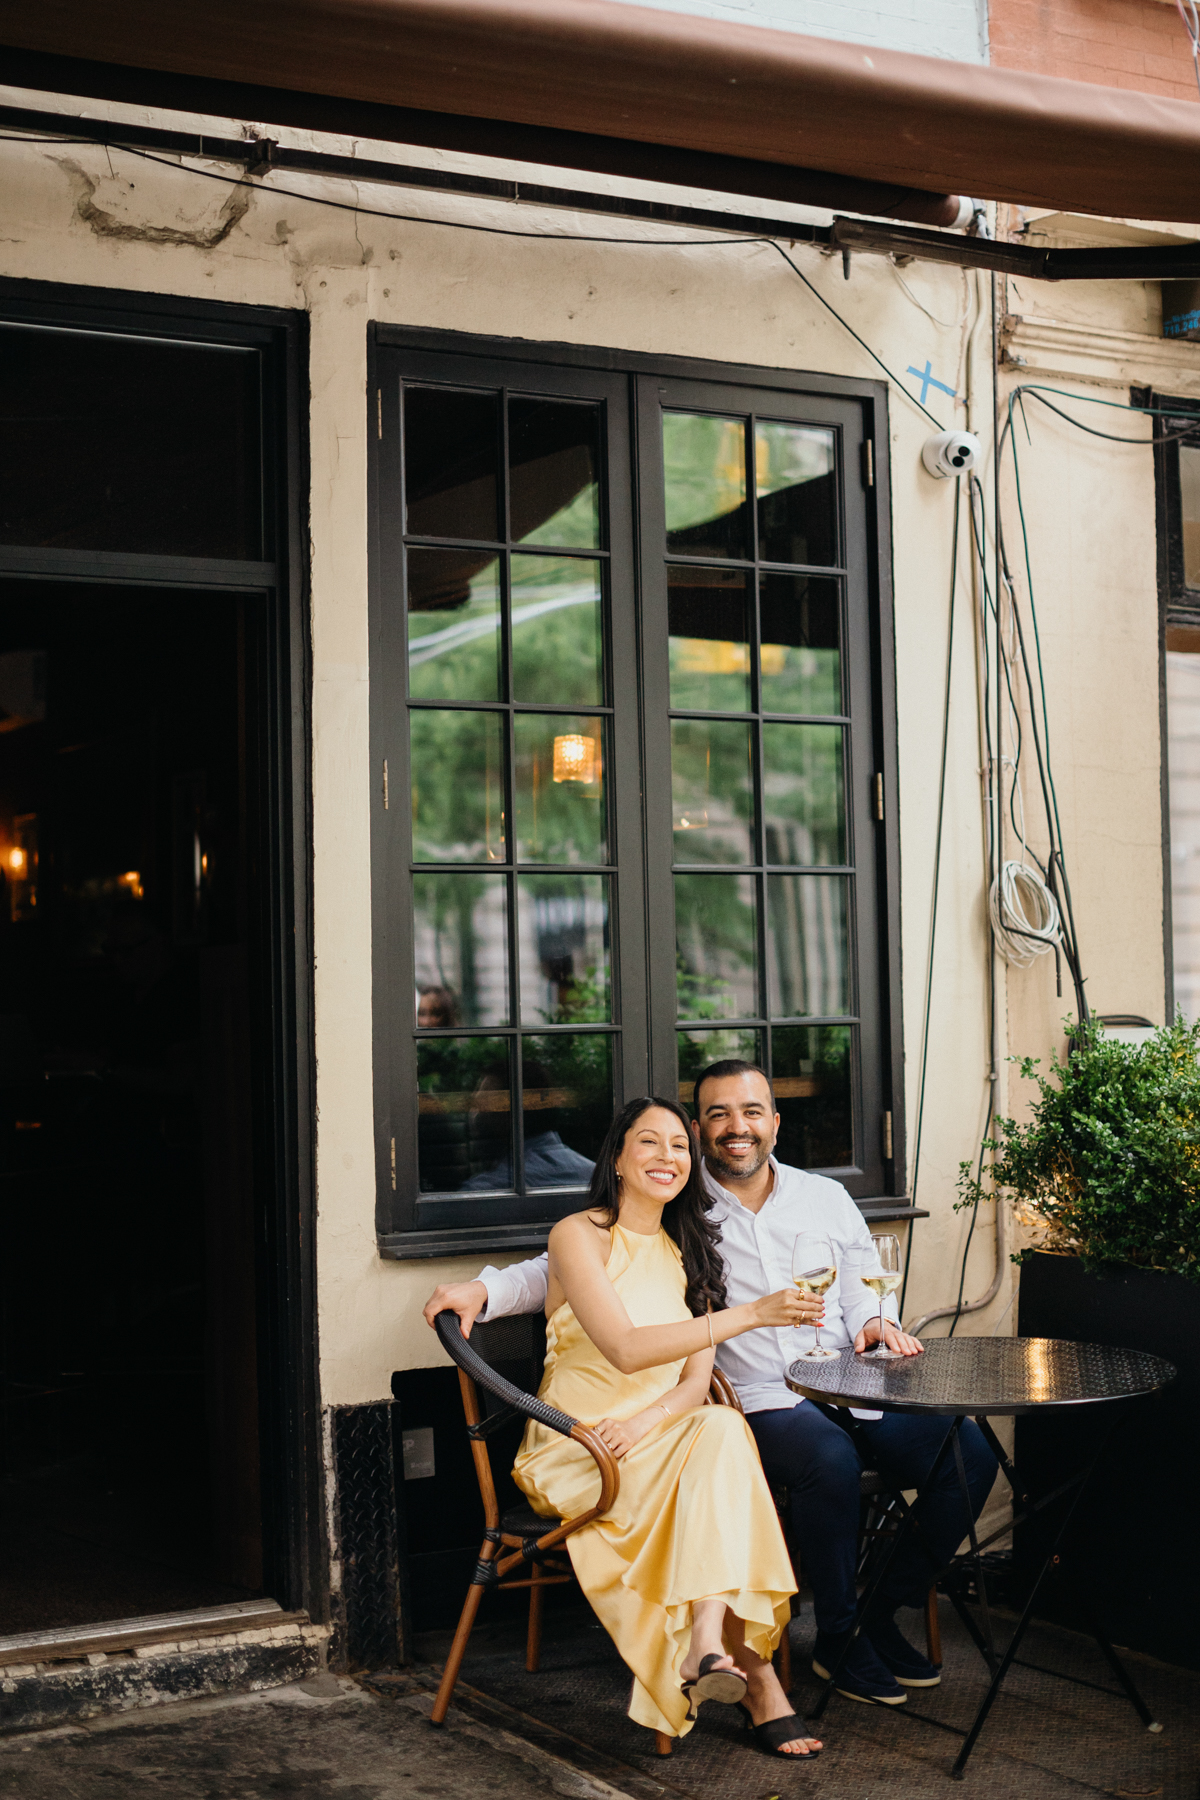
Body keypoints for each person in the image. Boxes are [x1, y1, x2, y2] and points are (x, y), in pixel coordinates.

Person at [425, 1062, 999, 1708]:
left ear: (775, 1123)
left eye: (751, 1112)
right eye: (719, 1115)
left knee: (968, 1453)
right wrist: (485, 1287)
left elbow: (867, 1278)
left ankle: (878, 1606)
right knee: (828, 1463)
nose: (737, 1128)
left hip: (852, 1382)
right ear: (700, 1130)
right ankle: (837, 1636)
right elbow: (573, 1263)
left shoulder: (826, 1199)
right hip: (759, 1397)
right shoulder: (678, 1203)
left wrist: (874, 1324)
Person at [498, 1094, 825, 1757]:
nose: (667, 1157)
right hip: (581, 1445)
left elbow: (694, 1384)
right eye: (649, 1143)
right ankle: (759, 1679)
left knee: (721, 1428)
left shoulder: (692, 1248)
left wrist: (647, 1420)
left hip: (657, 1438)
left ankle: (706, 1647)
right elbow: (623, 1348)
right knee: (722, 1440)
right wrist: (753, 1315)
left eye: (680, 1146)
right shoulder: (578, 1234)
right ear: (617, 1157)